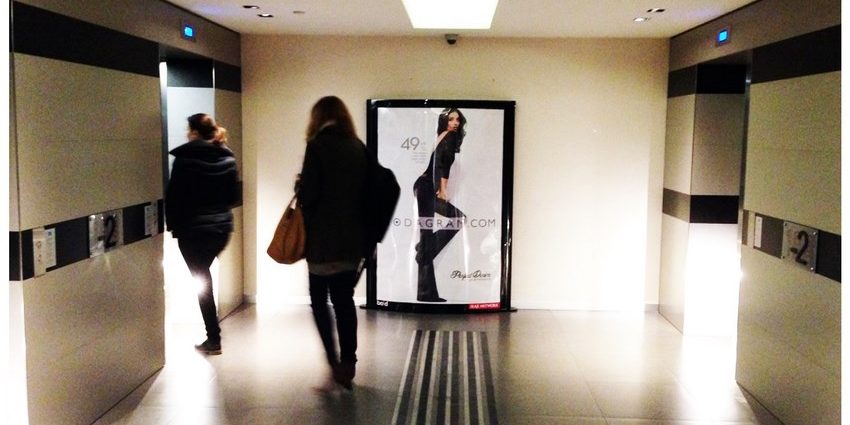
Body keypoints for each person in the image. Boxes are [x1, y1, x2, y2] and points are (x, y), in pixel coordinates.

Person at [298, 96, 368, 390]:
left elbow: (308, 196)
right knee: (344, 302)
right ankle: (349, 362)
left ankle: (333, 361)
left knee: (319, 301)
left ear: (317, 117)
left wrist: (299, 184)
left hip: (322, 242)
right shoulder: (358, 147)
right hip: (352, 241)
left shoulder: (316, 147)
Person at [165, 113, 240, 355]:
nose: (187, 134)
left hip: (192, 230)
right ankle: (213, 336)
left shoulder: (185, 160)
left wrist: (172, 226)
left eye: (189, 130)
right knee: (203, 277)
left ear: (195, 132)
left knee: (202, 280)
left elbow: (174, 197)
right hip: (221, 230)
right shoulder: (227, 157)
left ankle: (214, 338)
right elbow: (232, 197)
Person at [414, 108, 467, 302]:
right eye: (451, 119)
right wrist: (443, 190)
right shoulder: (450, 137)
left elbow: (438, 163)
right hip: (428, 187)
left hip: (422, 186)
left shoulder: (442, 135)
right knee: (458, 219)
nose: (455, 123)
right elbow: (443, 165)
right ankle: (424, 251)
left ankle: (425, 292)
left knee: (429, 235)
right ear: (444, 121)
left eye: (457, 120)